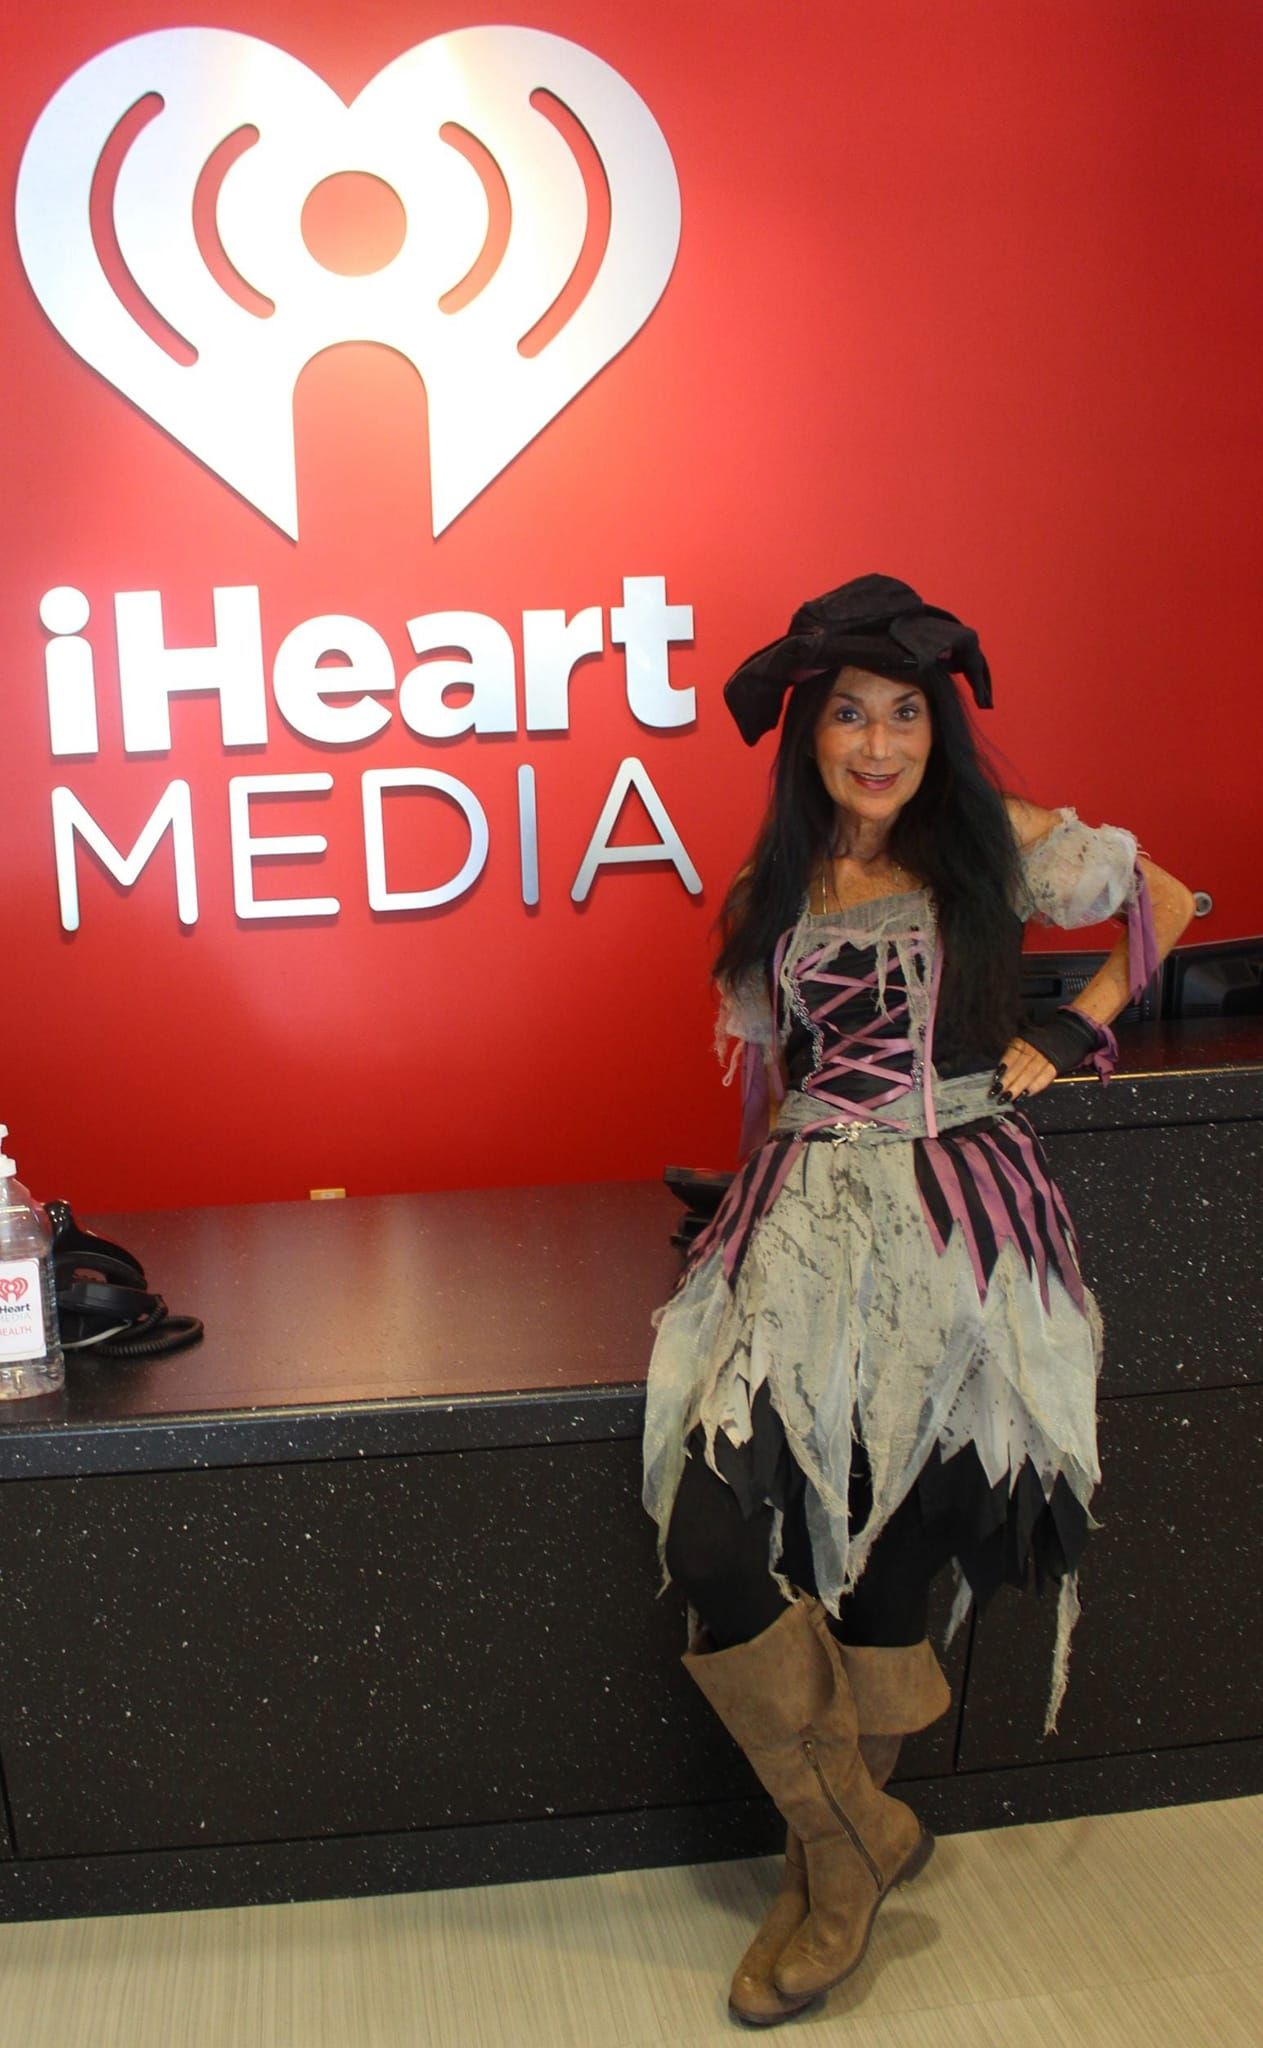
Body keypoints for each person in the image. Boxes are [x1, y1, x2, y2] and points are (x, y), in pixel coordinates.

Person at [642, 574, 1195, 2027]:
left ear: (935, 733)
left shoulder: (992, 850)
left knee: (902, 1539)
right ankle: (855, 1838)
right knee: (712, 1527)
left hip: (960, 1223)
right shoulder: (773, 887)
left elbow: (1168, 902)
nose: (878, 744)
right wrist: (738, 1218)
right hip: (807, 1221)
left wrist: (1069, 1032)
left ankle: (826, 1878)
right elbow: (773, 1078)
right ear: (808, 737)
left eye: (904, 716)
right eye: (850, 717)